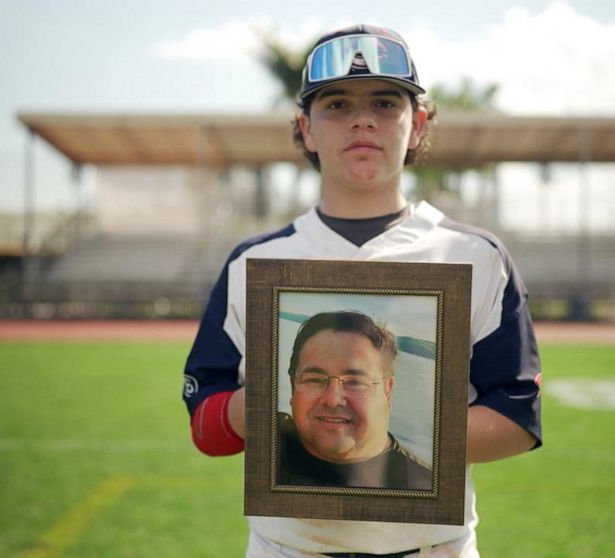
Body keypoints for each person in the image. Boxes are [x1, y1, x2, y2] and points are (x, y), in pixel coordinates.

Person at [183, 23, 542, 558]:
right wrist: (265, 409)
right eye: (335, 105)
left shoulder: (474, 257)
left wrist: (385, 433)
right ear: (305, 128)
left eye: (384, 102)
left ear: (417, 124)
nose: (361, 120)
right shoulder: (254, 264)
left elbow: (517, 418)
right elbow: (206, 425)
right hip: (288, 548)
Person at [277, 310, 431, 491]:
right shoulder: (266, 447)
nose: (333, 400)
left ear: (387, 390)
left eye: (355, 382)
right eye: (314, 379)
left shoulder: (424, 486)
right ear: (292, 384)